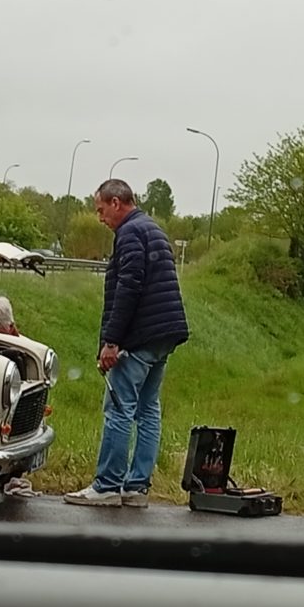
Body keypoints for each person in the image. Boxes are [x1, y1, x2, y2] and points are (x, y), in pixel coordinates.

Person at [63, 179, 189, 508]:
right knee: (148, 410)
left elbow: (128, 287)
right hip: (164, 333)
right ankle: (137, 488)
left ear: (116, 203)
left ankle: (107, 485)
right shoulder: (153, 228)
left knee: (119, 409)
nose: (100, 218)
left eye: (101, 210)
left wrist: (112, 341)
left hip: (140, 336)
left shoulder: (129, 232)